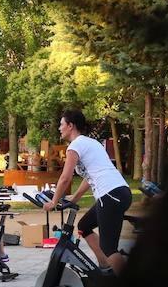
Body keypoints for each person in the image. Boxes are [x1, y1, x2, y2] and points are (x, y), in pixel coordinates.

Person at [41, 109, 132, 273]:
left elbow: (65, 178)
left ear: (70, 126)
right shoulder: (91, 143)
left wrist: (53, 201)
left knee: (109, 248)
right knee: (84, 225)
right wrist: (74, 198)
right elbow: (88, 178)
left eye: (61, 125)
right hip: (120, 192)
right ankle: (105, 267)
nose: (59, 128)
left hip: (110, 194)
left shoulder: (75, 146)